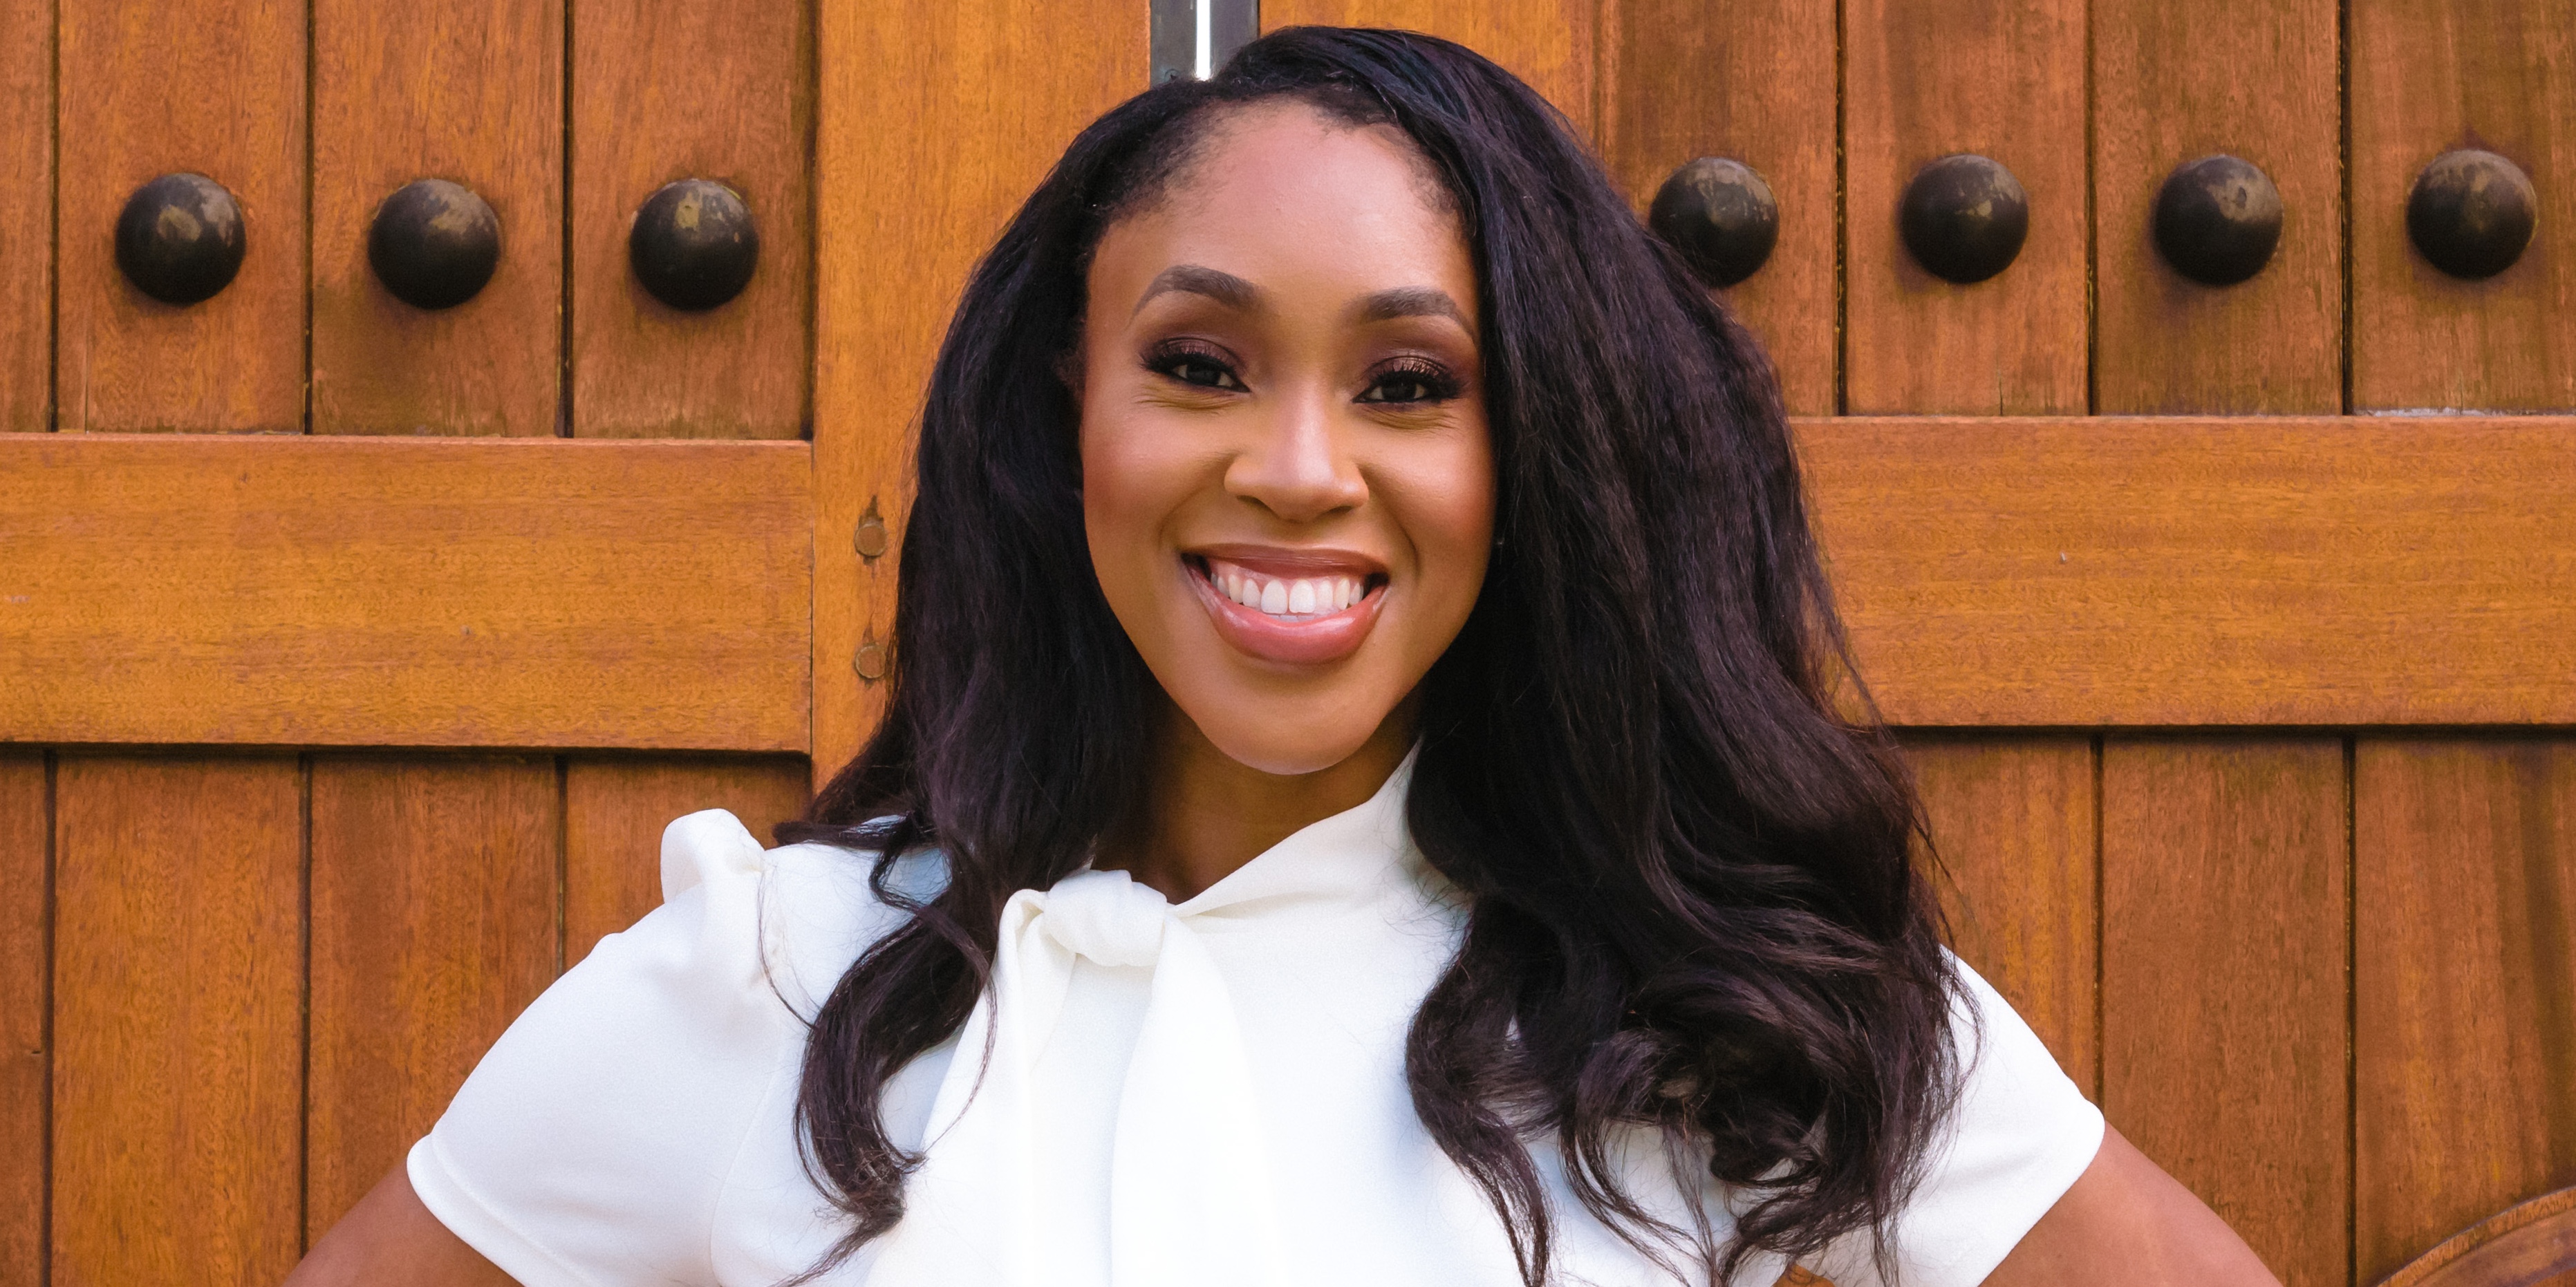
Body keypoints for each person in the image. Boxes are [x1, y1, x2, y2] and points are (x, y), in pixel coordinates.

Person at [290, 27, 2278, 1287]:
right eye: (1202, 365)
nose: (1300, 470)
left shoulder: (1729, 993)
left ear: (1540, 454)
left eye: (1411, 383)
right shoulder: (769, 981)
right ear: (1072, 401)